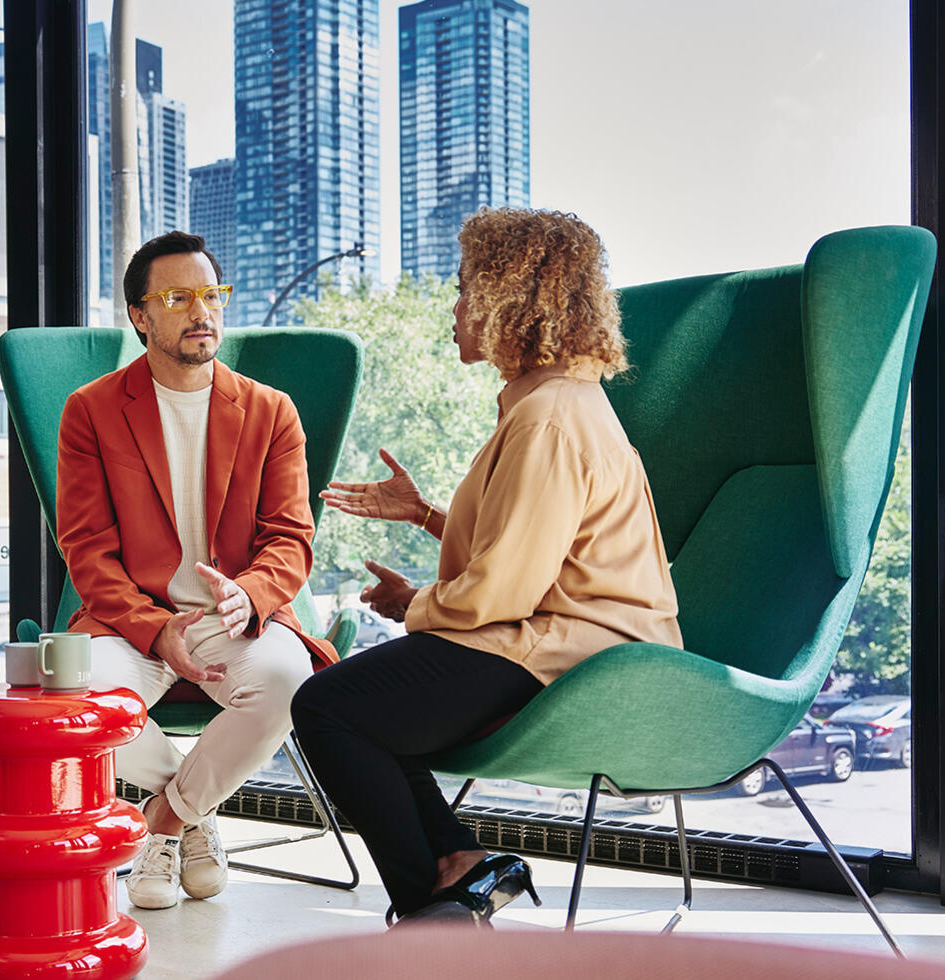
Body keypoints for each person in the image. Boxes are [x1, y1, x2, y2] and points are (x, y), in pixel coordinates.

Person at [291, 207, 683, 925]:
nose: (455, 307)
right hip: (563, 637)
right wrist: (425, 518)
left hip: (577, 655)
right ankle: (457, 866)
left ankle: (429, 912)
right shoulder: (551, 405)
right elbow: (537, 550)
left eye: (466, 288)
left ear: (513, 301)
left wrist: (417, 607)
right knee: (367, 703)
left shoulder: (549, 419)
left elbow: (503, 587)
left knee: (327, 705)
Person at [56, 230, 337, 910]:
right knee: (79, 702)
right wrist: (156, 630)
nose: (201, 311)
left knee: (283, 680)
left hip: (234, 613)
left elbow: (291, 538)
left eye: (211, 293)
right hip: (129, 618)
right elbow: (87, 548)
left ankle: (164, 822)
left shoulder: (271, 412)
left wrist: (252, 594)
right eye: (177, 297)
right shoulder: (90, 411)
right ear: (140, 317)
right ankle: (193, 811)